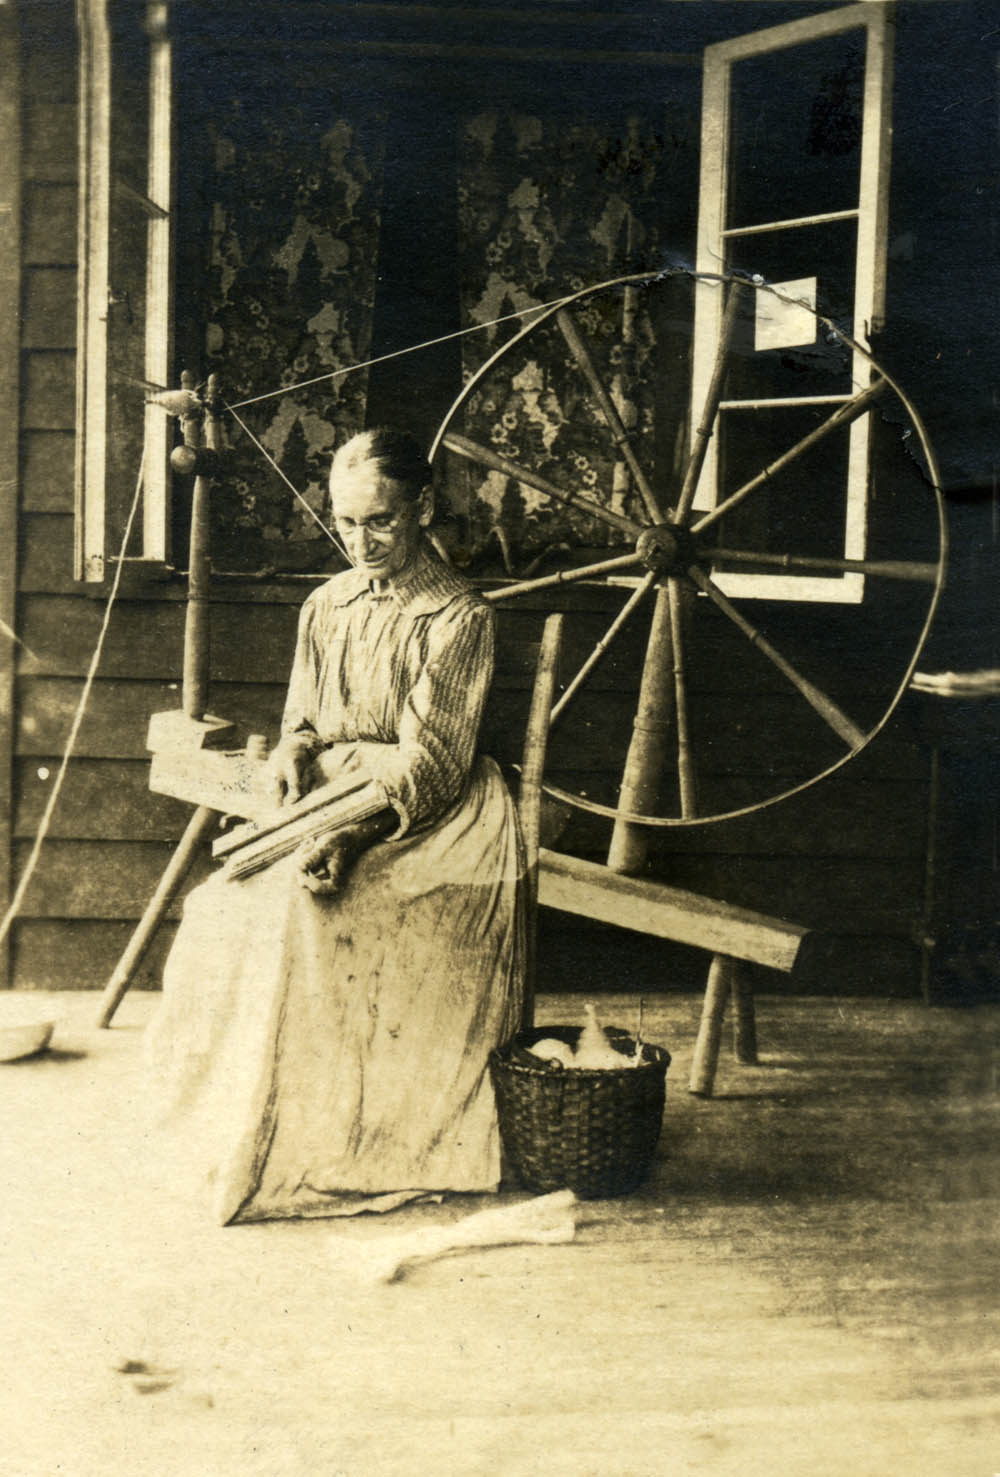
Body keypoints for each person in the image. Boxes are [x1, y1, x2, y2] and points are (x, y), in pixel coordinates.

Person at [145, 428, 525, 1224]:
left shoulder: (458, 617)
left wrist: (352, 835)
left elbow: (433, 762)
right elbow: (304, 719)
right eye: (347, 523)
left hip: (424, 811)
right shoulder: (327, 605)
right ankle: (228, 1133)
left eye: (381, 520)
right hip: (331, 793)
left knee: (301, 915)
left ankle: (341, 1144)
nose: (362, 541)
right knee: (219, 906)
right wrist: (294, 750)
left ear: (423, 509)